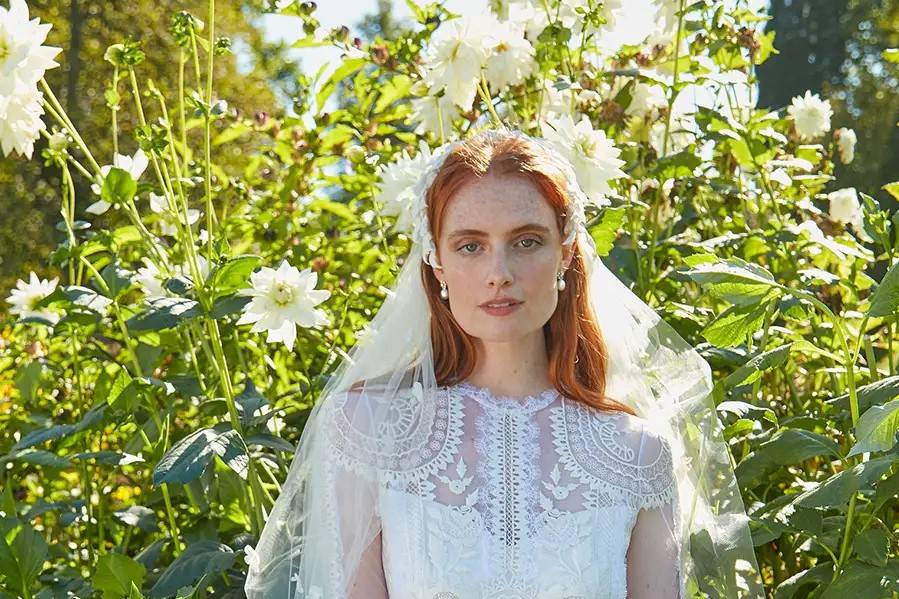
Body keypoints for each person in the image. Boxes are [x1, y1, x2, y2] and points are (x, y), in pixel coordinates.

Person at [244, 127, 764, 598]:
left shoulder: (638, 453)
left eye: (526, 241)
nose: (499, 272)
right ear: (438, 264)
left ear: (565, 254)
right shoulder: (368, 431)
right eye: (470, 245)